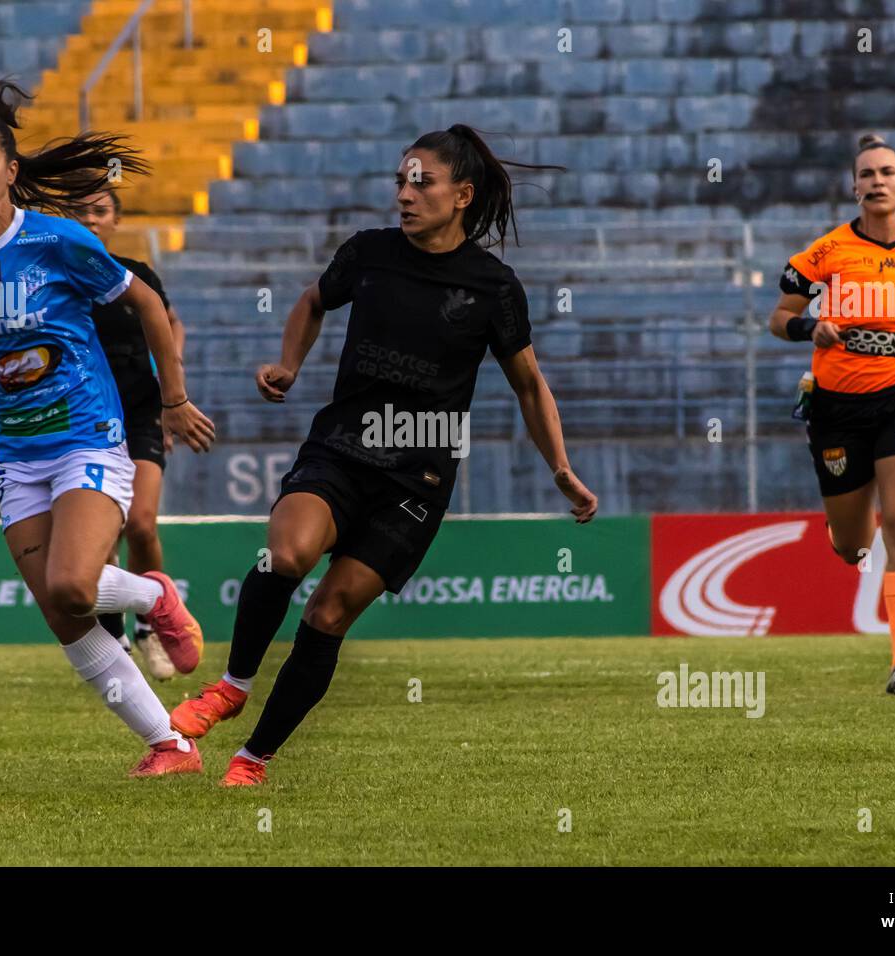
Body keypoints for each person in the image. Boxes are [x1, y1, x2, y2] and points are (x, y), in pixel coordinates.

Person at [170, 124, 599, 786]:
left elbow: (529, 384)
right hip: (342, 445)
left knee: (329, 612)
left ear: (462, 194)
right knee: (286, 554)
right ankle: (231, 686)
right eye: (400, 181)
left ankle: (253, 758)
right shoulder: (368, 254)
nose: (404, 194)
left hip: (419, 474)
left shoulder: (493, 287)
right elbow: (314, 300)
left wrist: (561, 468)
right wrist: (288, 364)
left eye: (420, 182)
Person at [0, 80, 216, 776]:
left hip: (87, 434)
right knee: (61, 613)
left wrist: (173, 399)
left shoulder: (58, 240)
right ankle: (171, 745)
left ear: (11, 170)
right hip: (17, 453)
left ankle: (158, 595)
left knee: (75, 584)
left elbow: (147, 305)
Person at [769, 134, 895, 695]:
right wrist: (813, 327)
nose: (877, 181)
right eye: (867, 174)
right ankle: (845, 535)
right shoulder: (825, 253)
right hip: (837, 411)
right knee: (854, 545)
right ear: (854, 187)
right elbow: (778, 317)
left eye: (887, 172)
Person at [76, 187, 184, 680]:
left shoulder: (136, 275)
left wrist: (173, 388)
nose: (91, 220)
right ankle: (114, 630)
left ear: (116, 220)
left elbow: (170, 323)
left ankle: (152, 623)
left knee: (140, 523)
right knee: (105, 530)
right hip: (85, 419)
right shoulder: (58, 279)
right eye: (81, 213)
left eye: (100, 212)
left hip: (140, 412)